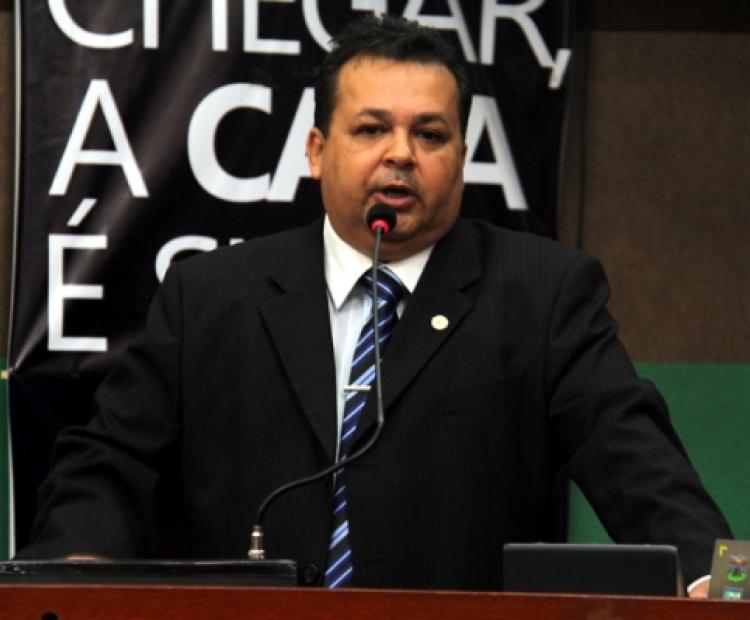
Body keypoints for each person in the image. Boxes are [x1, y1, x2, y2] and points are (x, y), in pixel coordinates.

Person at [18, 15, 730, 594]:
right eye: (370, 129)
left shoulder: (542, 292)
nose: (401, 154)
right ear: (316, 150)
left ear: (462, 156)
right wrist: (73, 568)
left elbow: (632, 453)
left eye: (430, 134)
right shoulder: (209, 295)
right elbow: (109, 461)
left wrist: (717, 581)